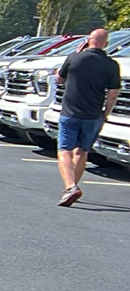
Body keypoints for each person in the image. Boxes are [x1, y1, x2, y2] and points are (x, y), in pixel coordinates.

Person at [54, 28, 122, 206]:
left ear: (88, 40)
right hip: (93, 116)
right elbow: (113, 93)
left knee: (64, 150)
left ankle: (70, 187)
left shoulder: (74, 58)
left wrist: (77, 53)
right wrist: (105, 114)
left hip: (69, 113)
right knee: (82, 151)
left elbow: (60, 79)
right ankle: (71, 187)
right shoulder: (111, 65)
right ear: (106, 44)